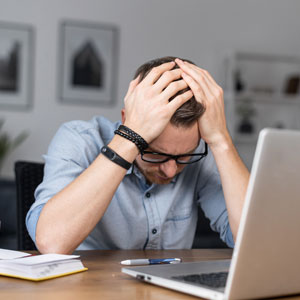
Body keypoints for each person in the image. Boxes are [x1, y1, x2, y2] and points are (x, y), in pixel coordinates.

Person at [26, 56, 249, 254]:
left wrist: (222, 141)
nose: (171, 170)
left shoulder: (199, 150)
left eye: (183, 157)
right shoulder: (79, 139)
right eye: (157, 154)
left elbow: (251, 243)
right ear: (127, 119)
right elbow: (51, 242)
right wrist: (130, 138)